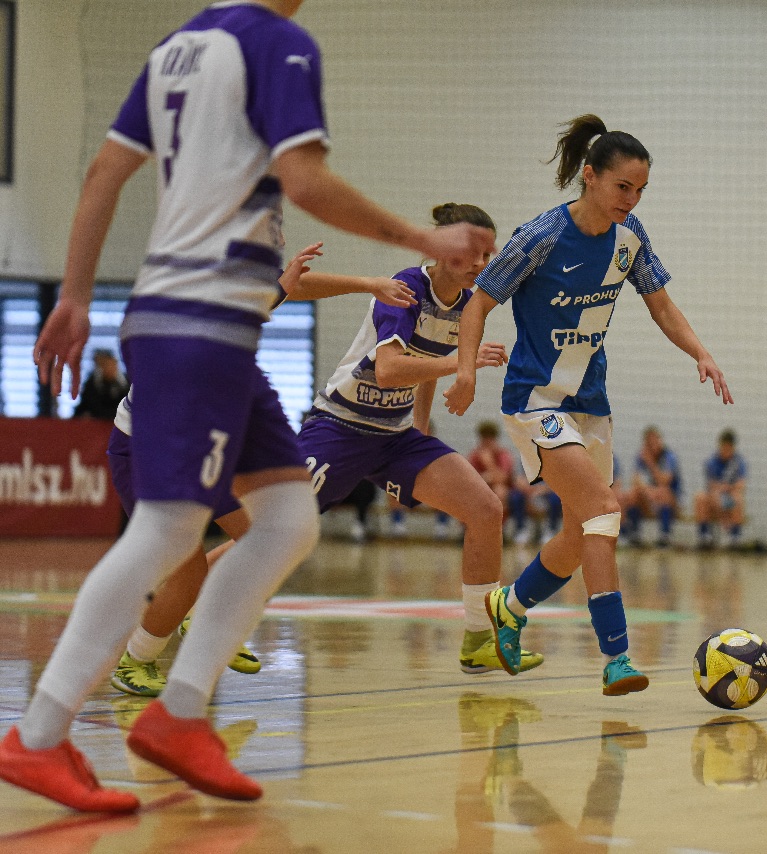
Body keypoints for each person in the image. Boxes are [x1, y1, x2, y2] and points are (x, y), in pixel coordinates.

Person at [0, 0, 493, 813]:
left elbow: (104, 174)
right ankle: (40, 734)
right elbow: (307, 182)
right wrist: (419, 240)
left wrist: (78, 295)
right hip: (198, 320)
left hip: (210, 326)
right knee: (170, 530)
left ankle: (178, 715)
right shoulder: (276, 42)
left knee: (288, 520)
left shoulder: (177, 46)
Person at [444, 114, 732, 695]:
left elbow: (661, 305)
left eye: (641, 190)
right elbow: (478, 303)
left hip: (590, 401)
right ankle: (617, 657)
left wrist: (701, 352)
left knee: (581, 535)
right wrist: (466, 370)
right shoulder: (542, 236)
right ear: (591, 177)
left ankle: (509, 606)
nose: (632, 199)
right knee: (605, 509)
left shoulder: (630, 238)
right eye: (623, 186)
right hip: (535, 398)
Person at [108, 243, 419, 698]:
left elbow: (290, 287)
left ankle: (206, 617)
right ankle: (135, 659)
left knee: (269, 538)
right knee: (188, 571)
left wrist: (367, 284)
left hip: (195, 452)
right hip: (147, 453)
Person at [297, 202, 542, 677]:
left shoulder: (469, 305)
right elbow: (389, 371)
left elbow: (424, 370)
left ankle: (479, 641)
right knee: (278, 530)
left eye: (487, 254)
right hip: (342, 426)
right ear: (443, 247)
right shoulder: (406, 287)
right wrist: (463, 364)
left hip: (394, 436)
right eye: (472, 252)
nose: (480, 264)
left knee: (486, 510)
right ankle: (193, 608)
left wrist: (421, 434)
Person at [623, 425, 682, 548]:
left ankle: (665, 536)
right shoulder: (641, 457)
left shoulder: (669, 457)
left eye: (656, 440)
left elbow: (665, 481)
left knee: (664, 492)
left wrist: (650, 463)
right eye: (650, 442)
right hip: (650, 499)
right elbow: (635, 480)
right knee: (633, 494)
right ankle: (635, 533)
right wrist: (648, 491)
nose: (654, 444)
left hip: (670, 502)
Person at [694, 428, 748, 550]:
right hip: (715, 499)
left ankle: (734, 538)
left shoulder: (739, 462)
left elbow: (741, 485)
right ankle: (704, 537)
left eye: (728, 449)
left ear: (733, 448)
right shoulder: (712, 461)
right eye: (723, 448)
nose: (725, 451)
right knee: (700, 497)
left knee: (737, 498)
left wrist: (726, 488)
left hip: (729, 499)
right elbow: (712, 485)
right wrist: (723, 489)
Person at [72, 349, 129, 420]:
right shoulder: (92, 384)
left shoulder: (127, 382)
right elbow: (88, 406)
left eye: (107, 364)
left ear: (115, 362)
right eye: (100, 365)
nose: (106, 368)